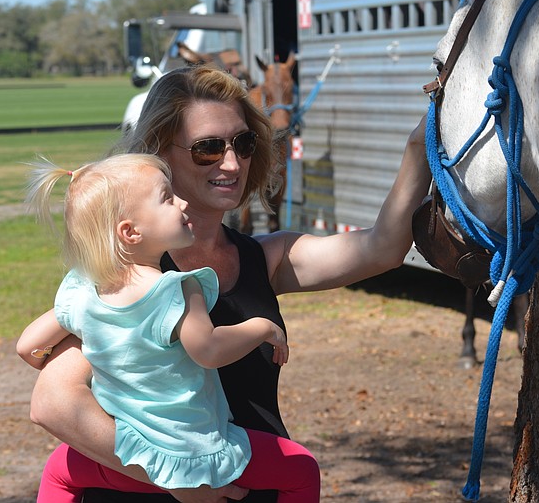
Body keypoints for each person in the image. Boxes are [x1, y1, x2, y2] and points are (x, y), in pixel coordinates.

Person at [26, 65, 432, 503]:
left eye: (243, 142)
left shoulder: (265, 256)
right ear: (159, 152)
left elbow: (381, 248)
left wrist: (418, 148)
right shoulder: (126, 273)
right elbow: (54, 403)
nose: (232, 162)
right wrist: (178, 482)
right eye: (208, 148)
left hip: (252, 487)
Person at [16, 153, 320, 502]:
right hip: (190, 452)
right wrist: (262, 328)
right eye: (167, 197)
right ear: (130, 232)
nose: (181, 202)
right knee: (301, 469)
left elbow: (28, 347)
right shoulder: (176, 290)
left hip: (124, 447)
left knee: (59, 471)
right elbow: (209, 350)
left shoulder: (81, 290)